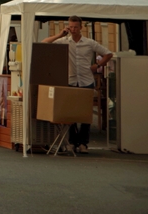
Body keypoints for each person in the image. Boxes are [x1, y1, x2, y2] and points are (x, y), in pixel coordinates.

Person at [42, 15, 112, 154]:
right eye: (71, 27)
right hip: (71, 81)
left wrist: (98, 65)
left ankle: (83, 143)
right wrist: (60, 34)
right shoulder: (64, 41)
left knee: (85, 114)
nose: (73, 29)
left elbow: (108, 54)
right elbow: (44, 43)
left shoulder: (89, 43)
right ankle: (73, 142)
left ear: (81, 27)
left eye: (75, 27)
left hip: (86, 81)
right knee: (71, 114)